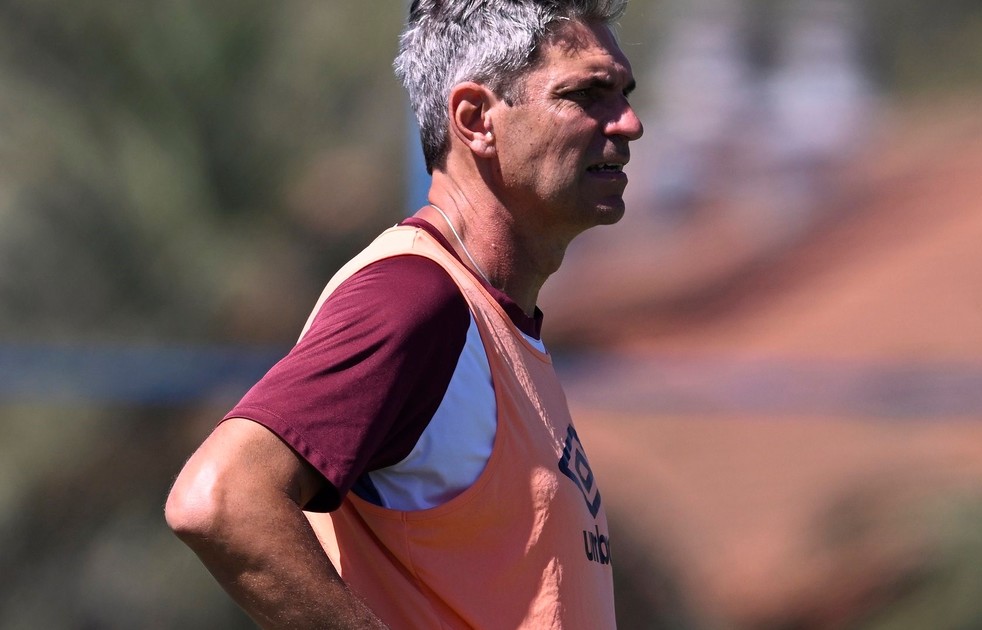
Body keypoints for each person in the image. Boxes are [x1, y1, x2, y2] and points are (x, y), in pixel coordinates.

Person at [164, 0, 643, 627]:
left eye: (625, 93)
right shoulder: (416, 299)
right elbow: (221, 497)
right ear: (475, 119)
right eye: (587, 95)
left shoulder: (490, 318)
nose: (629, 123)